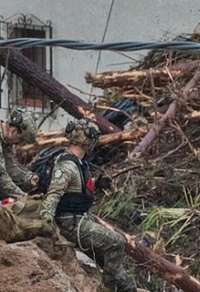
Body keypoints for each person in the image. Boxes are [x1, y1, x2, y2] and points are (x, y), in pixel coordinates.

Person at [41, 118, 136, 292]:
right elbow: (54, 194)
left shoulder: (75, 162)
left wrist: (96, 183)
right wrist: (47, 221)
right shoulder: (67, 165)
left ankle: (126, 286)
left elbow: (75, 187)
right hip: (70, 223)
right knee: (116, 242)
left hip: (79, 218)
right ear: (88, 140)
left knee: (110, 258)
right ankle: (106, 288)